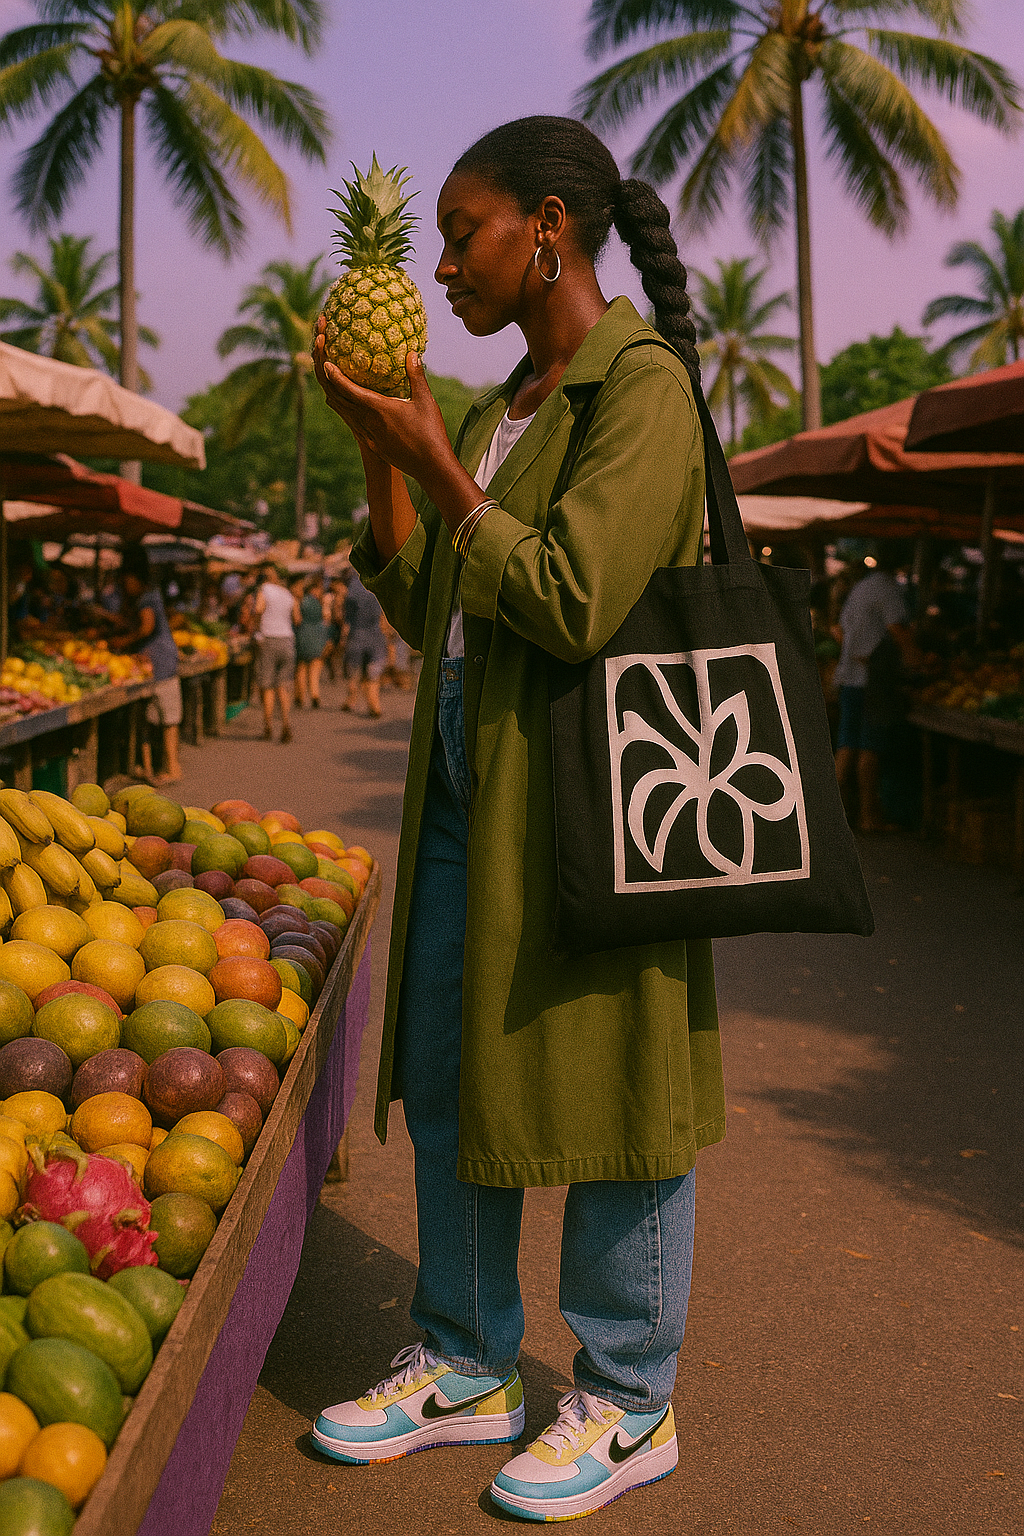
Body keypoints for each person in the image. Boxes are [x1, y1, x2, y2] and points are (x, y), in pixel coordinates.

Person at [311, 116, 724, 1523]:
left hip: (592, 793)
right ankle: (468, 1360)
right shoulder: (504, 405)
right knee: (447, 1070)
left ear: (546, 227)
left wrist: (438, 462)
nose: (440, 268)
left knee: (619, 1087)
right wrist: (382, 452)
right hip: (463, 788)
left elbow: (572, 596)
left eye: (461, 233)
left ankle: (628, 1395)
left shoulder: (641, 387)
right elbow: (433, 600)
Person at [833, 547, 919, 833]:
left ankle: (829, 819)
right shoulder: (888, 589)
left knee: (847, 744)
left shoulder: (861, 588)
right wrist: (916, 662)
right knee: (870, 747)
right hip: (872, 682)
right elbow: (898, 630)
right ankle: (869, 817)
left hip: (849, 678)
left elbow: (839, 630)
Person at [113, 546, 183, 784]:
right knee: (150, 718)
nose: (125, 586)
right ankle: (149, 767)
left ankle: (173, 768)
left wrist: (124, 641)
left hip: (162, 664)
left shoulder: (147, 597)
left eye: (127, 581)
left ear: (135, 578)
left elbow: (146, 628)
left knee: (168, 719)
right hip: (152, 666)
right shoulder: (145, 597)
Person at [253, 563, 299, 743]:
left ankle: (268, 726)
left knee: (268, 686)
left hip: (269, 639)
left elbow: (258, 609)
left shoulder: (264, 590)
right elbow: (296, 618)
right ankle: (286, 722)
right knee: (283, 685)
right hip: (287, 640)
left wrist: (257, 627)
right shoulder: (287, 594)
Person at [342, 568, 387, 718]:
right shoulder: (375, 585)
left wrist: (343, 638)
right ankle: (375, 705)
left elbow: (347, 618)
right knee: (373, 673)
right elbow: (383, 615)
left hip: (357, 634)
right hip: (376, 635)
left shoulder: (352, 589)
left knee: (354, 671)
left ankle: (351, 700)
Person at [292, 573, 330, 708]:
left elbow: (297, 620)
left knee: (301, 668)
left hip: (303, 635)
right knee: (315, 668)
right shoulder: (320, 603)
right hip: (317, 636)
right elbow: (326, 618)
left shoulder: (301, 601)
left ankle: (300, 697)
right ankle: (314, 694)